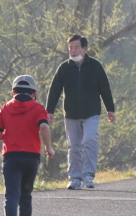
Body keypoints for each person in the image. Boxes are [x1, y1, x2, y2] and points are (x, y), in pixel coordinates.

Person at [0, 75, 55, 216]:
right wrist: (49, 147)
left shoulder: (5, 108)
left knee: (11, 195)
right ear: (34, 93)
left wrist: (10, 135)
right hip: (31, 156)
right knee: (26, 195)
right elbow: (44, 126)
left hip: (11, 156)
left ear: (14, 92)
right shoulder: (38, 108)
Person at [45, 34, 115, 190]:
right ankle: (75, 178)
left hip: (91, 113)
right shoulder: (64, 68)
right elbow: (54, 90)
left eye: (76, 47)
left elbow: (105, 88)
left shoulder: (95, 66)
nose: (73, 51)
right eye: (70, 48)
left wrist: (110, 109)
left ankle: (88, 176)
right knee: (74, 147)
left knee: (89, 141)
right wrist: (49, 110)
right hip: (71, 114)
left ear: (85, 49)